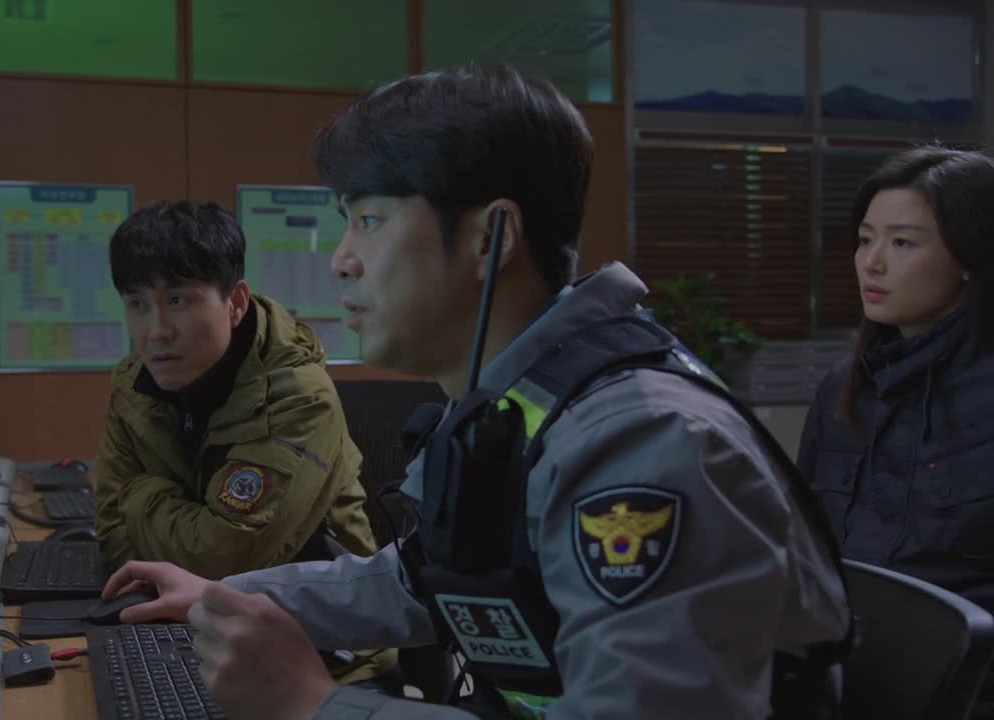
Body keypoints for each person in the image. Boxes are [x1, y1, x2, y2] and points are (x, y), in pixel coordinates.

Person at [101, 67, 852, 719]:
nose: (342, 260)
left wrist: (317, 705)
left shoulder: (643, 446)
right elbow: (415, 579)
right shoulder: (511, 409)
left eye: (369, 220)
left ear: (492, 238)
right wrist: (221, 596)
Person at [94, 199, 394, 684]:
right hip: (196, 633)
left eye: (178, 301)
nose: (156, 331)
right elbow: (110, 531)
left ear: (234, 304)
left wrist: (138, 492)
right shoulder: (135, 383)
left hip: (323, 656)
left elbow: (221, 561)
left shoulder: (298, 398)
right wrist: (163, 523)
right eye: (137, 305)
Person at [799, 146, 994, 613]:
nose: (873, 262)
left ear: (970, 257)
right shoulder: (844, 386)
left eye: (903, 243)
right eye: (865, 240)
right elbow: (805, 544)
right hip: (850, 648)